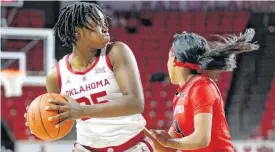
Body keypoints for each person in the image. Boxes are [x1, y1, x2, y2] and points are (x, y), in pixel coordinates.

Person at [24, 2, 153, 152]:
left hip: (131, 145)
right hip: (86, 148)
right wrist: (38, 121)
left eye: (105, 22)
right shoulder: (56, 75)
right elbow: (59, 118)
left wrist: (83, 110)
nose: (106, 27)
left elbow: (135, 103)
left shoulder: (116, 52)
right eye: (98, 24)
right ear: (77, 33)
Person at [146, 29, 259, 152]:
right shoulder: (180, 96)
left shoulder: (201, 87)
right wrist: (143, 133)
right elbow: (168, 148)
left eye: (168, 58)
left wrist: (168, 142)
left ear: (173, 59)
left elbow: (201, 139)